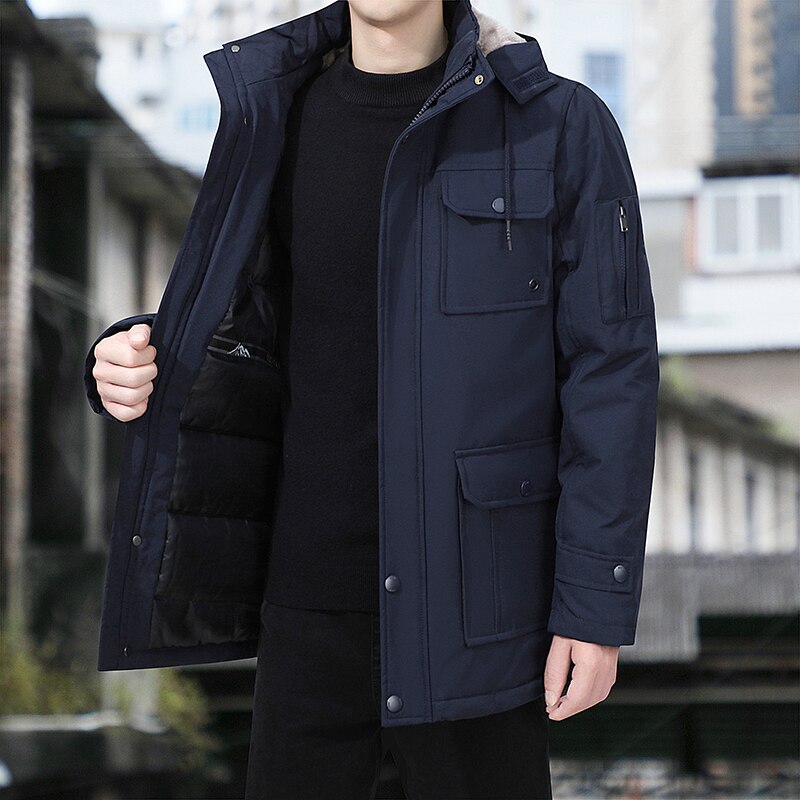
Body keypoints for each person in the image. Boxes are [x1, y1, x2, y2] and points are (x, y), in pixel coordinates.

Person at [85, 1, 659, 798]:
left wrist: (594, 609)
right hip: (306, 618)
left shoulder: (557, 125)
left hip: (477, 623)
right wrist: (131, 356)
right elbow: (246, 329)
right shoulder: (272, 114)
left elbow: (612, 374)